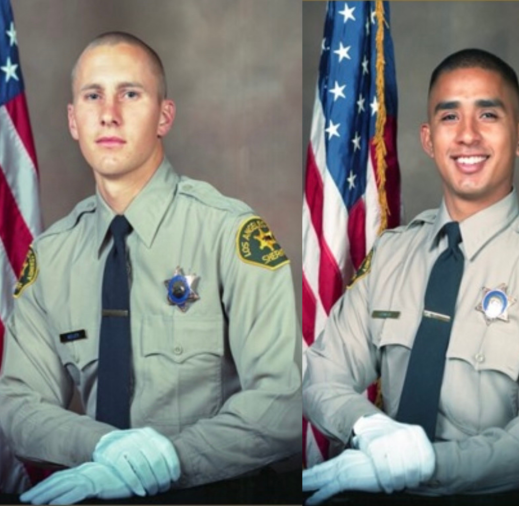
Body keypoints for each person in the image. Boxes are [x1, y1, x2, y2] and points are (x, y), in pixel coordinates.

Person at [0, 32, 302, 504]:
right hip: (93, 491)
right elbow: (16, 405)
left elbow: (284, 404)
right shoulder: (53, 258)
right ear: (73, 120)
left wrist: (167, 460)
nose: (109, 113)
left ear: (164, 116)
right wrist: (103, 446)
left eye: (130, 94)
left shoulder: (229, 233)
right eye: (93, 95)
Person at [302, 48, 519, 504]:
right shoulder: (392, 256)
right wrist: (371, 428)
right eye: (449, 117)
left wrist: (427, 465)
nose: (467, 136)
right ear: (427, 137)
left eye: (489, 115)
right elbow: (321, 371)